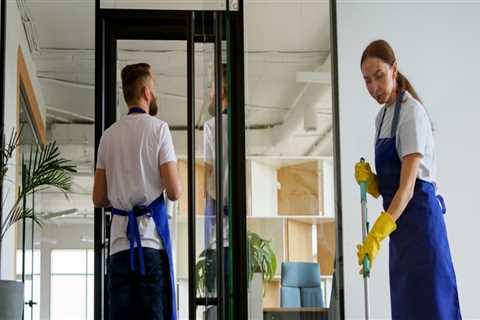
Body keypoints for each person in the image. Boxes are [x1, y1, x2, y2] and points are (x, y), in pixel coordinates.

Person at [355, 40, 461, 320]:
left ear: (394, 69)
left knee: (431, 309)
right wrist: (372, 181)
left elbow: (408, 187)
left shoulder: (411, 113)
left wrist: (377, 234)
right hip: (400, 231)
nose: (374, 87)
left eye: (379, 76)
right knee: (407, 310)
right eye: (367, 81)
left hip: (422, 228)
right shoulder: (381, 118)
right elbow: (391, 187)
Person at [93, 63, 182, 320]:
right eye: (153, 89)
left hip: (119, 249)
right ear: (145, 92)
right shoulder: (159, 129)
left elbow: (98, 197)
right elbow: (175, 191)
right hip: (150, 245)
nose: (154, 94)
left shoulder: (108, 136)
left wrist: (123, 198)